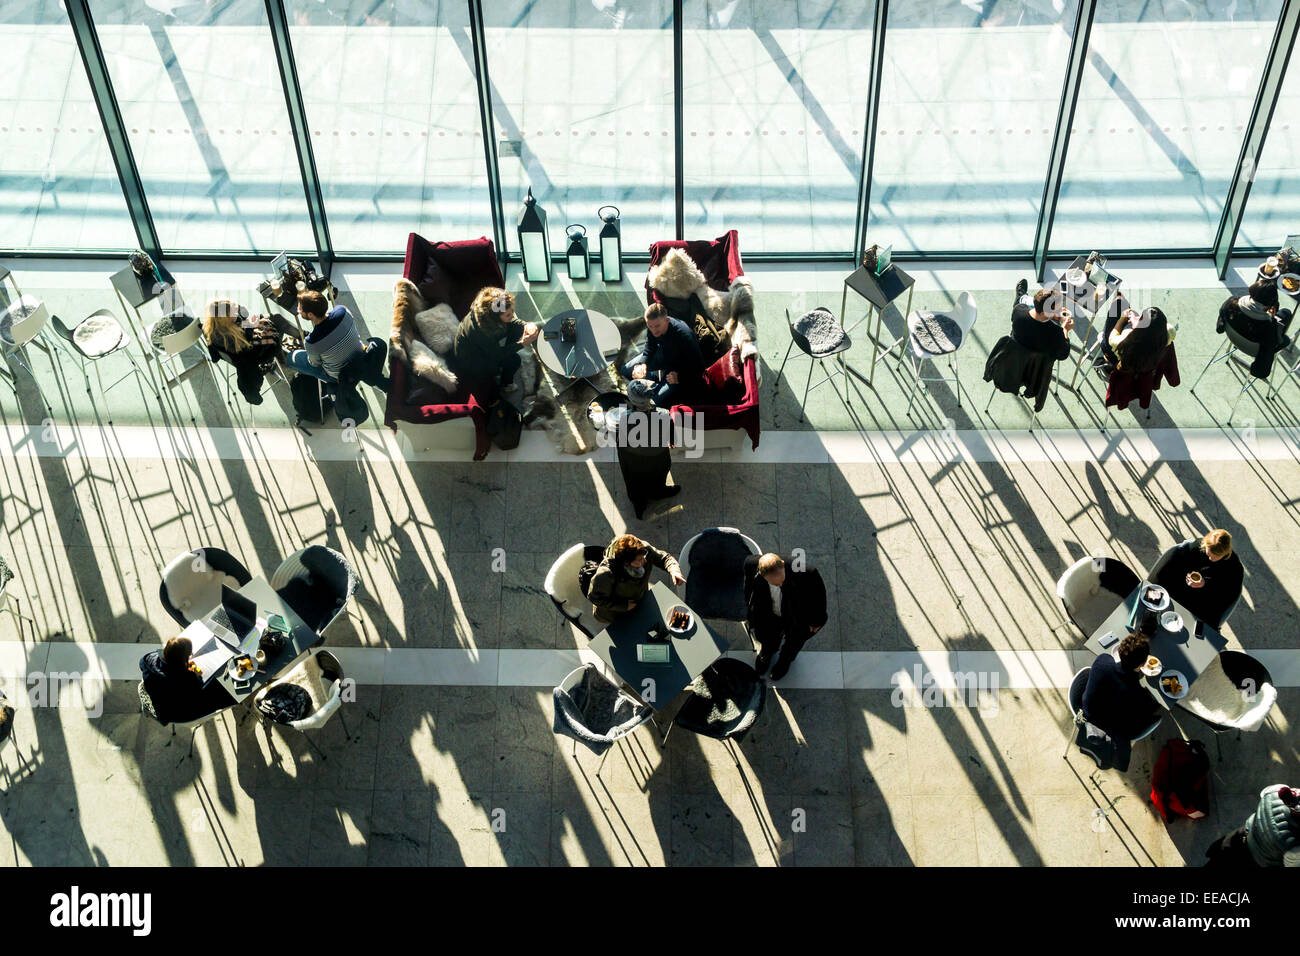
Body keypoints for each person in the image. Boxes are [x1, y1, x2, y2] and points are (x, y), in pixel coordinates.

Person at [743, 553, 827, 681]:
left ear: (782, 566)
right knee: (767, 636)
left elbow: (819, 598)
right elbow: (748, 589)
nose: (780, 585)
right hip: (769, 613)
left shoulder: (806, 573)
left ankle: (784, 661)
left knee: (794, 641)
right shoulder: (751, 565)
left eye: (782, 581)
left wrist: (816, 621)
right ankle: (767, 652)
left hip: (796, 616)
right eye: (774, 584)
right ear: (761, 574)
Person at [604, 379, 681, 520]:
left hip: (631, 460)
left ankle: (639, 505)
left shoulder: (623, 419)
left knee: (634, 482)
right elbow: (673, 438)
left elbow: (616, 437)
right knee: (658, 476)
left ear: (631, 400)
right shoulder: (663, 414)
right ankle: (659, 492)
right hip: (657, 457)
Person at [452, 287, 538, 404]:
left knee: (518, 328)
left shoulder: (489, 315)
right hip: (473, 361)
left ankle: (509, 352)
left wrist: (526, 325)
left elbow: (512, 322)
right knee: (514, 360)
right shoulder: (481, 331)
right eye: (508, 315)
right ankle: (506, 385)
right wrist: (522, 344)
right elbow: (496, 355)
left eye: (512, 311)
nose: (513, 316)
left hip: (485, 347)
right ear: (496, 318)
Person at [202, 299, 292, 405]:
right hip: (253, 355)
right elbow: (247, 346)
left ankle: (301, 337)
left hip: (243, 345)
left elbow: (241, 319)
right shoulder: (228, 339)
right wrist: (251, 326)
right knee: (277, 328)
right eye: (233, 313)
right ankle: (279, 356)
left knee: (275, 318)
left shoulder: (217, 325)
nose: (236, 312)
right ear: (225, 319)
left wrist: (242, 315)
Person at [1152, 529, 1244, 628]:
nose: (1210, 559)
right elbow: (1175, 564)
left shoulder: (1234, 569)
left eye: (1216, 557)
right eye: (1208, 554)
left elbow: (1227, 595)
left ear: (1225, 553)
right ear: (1205, 544)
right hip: (1181, 590)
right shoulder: (1196, 547)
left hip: (1205, 601)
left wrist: (1205, 584)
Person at [1081, 631, 1162, 742]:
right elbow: (1148, 708)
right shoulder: (1136, 693)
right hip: (1110, 729)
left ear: (1119, 652)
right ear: (1143, 664)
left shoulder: (1102, 660)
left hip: (1089, 711)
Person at [619, 303, 706, 406]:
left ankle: (659, 383)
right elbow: (650, 346)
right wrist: (642, 363)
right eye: (650, 326)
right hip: (663, 356)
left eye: (657, 326)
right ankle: (654, 380)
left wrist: (679, 377)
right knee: (625, 370)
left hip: (679, 369)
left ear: (667, 320)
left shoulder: (685, 335)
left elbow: (699, 367)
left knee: (653, 402)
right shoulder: (653, 326)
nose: (653, 330)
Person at [587, 533, 685, 625]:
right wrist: (624, 606)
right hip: (615, 614)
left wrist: (674, 570)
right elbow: (595, 598)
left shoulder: (643, 550)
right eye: (639, 560)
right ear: (626, 563)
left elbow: (664, 558)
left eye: (643, 557)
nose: (645, 561)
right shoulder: (606, 573)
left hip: (640, 599)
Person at [138, 636, 233, 725]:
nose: (190, 656)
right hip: (176, 711)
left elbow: (142, 662)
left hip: (159, 698)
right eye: (188, 655)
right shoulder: (184, 678)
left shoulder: (149, 658)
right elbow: (197, 689)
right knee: (221, 692)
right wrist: (197, 674)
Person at [1205, 784, 1300, 868]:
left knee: (1219, 859)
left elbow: (1263, 794)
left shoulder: (1275, 791)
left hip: (1242, 836)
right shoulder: (1294, 848)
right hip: (1254, 860)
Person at [286, 290, 366, 386]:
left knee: (291, 358)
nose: (298, 310)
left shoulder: (311, 342)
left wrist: (313, 350)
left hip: (340, 376)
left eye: (300, 308)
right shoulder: (342, 310)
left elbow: (315, 364)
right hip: (360, 357)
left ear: (310, 314)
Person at [1217, 279, 1293, 379]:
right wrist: (1272, 319)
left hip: (1234, 335)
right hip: (1253, 348)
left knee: (1284, 313)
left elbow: (1219, 328)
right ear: (1269, 304)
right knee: (1286, 318)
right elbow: (1271, 346)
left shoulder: (1230, 303)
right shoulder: (1268, 327)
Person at [1010, 285, 1074, 360]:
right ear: (1045, 313)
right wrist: (1065, 329)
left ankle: (1022, 296)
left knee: (1025, 300)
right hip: (1035, 367)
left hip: (1014, 355)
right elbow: (1063, 354)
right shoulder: (1055, 332)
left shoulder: (1018, 310)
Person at [1107, 303, 1170, 376]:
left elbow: (1112, 338)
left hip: (1125, 361)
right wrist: (1135, 321)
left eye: (1140, 318)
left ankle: (1107, 358)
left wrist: (1122, 318)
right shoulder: (1166, 337)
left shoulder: (1124, 342)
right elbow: (1152, 330)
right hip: (1144, 366)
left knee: (1117, 305)